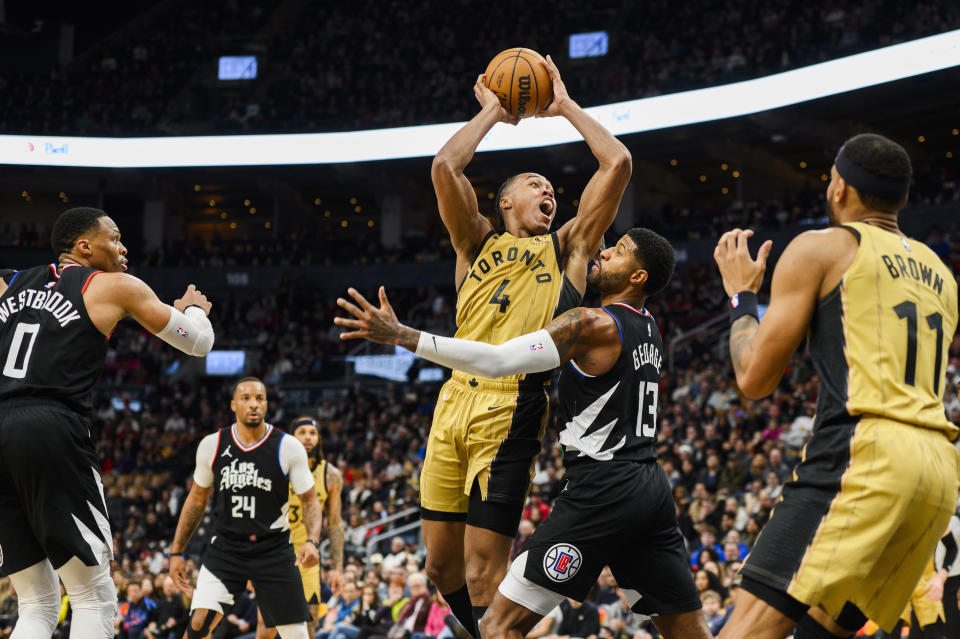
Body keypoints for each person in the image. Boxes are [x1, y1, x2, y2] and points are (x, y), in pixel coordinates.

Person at [335, 228, 711, 639]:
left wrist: (402, 336)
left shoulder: (591, 323)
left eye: (619, 251)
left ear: (638, 277)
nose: (603, 253)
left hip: (603, 489)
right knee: (687, 633)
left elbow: (497, 361)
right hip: (650, 491)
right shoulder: (650, 329)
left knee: (497, 627)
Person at [407, 54, 633, 638]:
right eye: (535, 185)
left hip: (512, 407)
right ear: (504, 202)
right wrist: (491, 113)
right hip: (452, 401)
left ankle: (499, 627)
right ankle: (496, 631)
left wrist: (563, 108)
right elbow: (444, 167)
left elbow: (617, 162)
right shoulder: (474, 241)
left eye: (552, 188)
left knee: (485, 572)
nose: (548, 191)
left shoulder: (571, 247)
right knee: (440, 565)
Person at [711, 133, 959, 638]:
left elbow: (753, 379)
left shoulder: (822, 248)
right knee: (819, 632)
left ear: (840, 188)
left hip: (866, 454)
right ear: (904, 198)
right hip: (937, 470)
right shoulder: (941, 272)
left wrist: (741, 299)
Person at [0, 207, 214, 638]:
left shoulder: (8, 284)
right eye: (115, 238)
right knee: (92, 596)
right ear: (84, 246)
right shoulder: (113, 285)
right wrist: (194, 310)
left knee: (36, 602)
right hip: (51, 424)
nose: (124, 247)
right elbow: (200, 344)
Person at [167, 377, 322, 639]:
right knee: (198, 624)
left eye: (259, 399)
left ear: (267, 405)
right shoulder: (212, 445)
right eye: (246, 398)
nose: (253, 404)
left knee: (296, 634)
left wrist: (313, 541)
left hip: (273, 549)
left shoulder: (288, 446)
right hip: (227, 548)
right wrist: (176, 552)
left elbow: (310, 500)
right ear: (233, 405)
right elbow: (196, 499)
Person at [258, 415, 345, 639]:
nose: (308, 437)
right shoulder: (275, 468)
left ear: (319, 438)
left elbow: (334, 523)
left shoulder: (331, 474)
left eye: (313, 433)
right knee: (267, 627)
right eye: (302, 432)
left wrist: (338, 568)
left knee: (309, 624)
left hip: (308, 555)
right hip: (275, 551)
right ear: (291, 438)